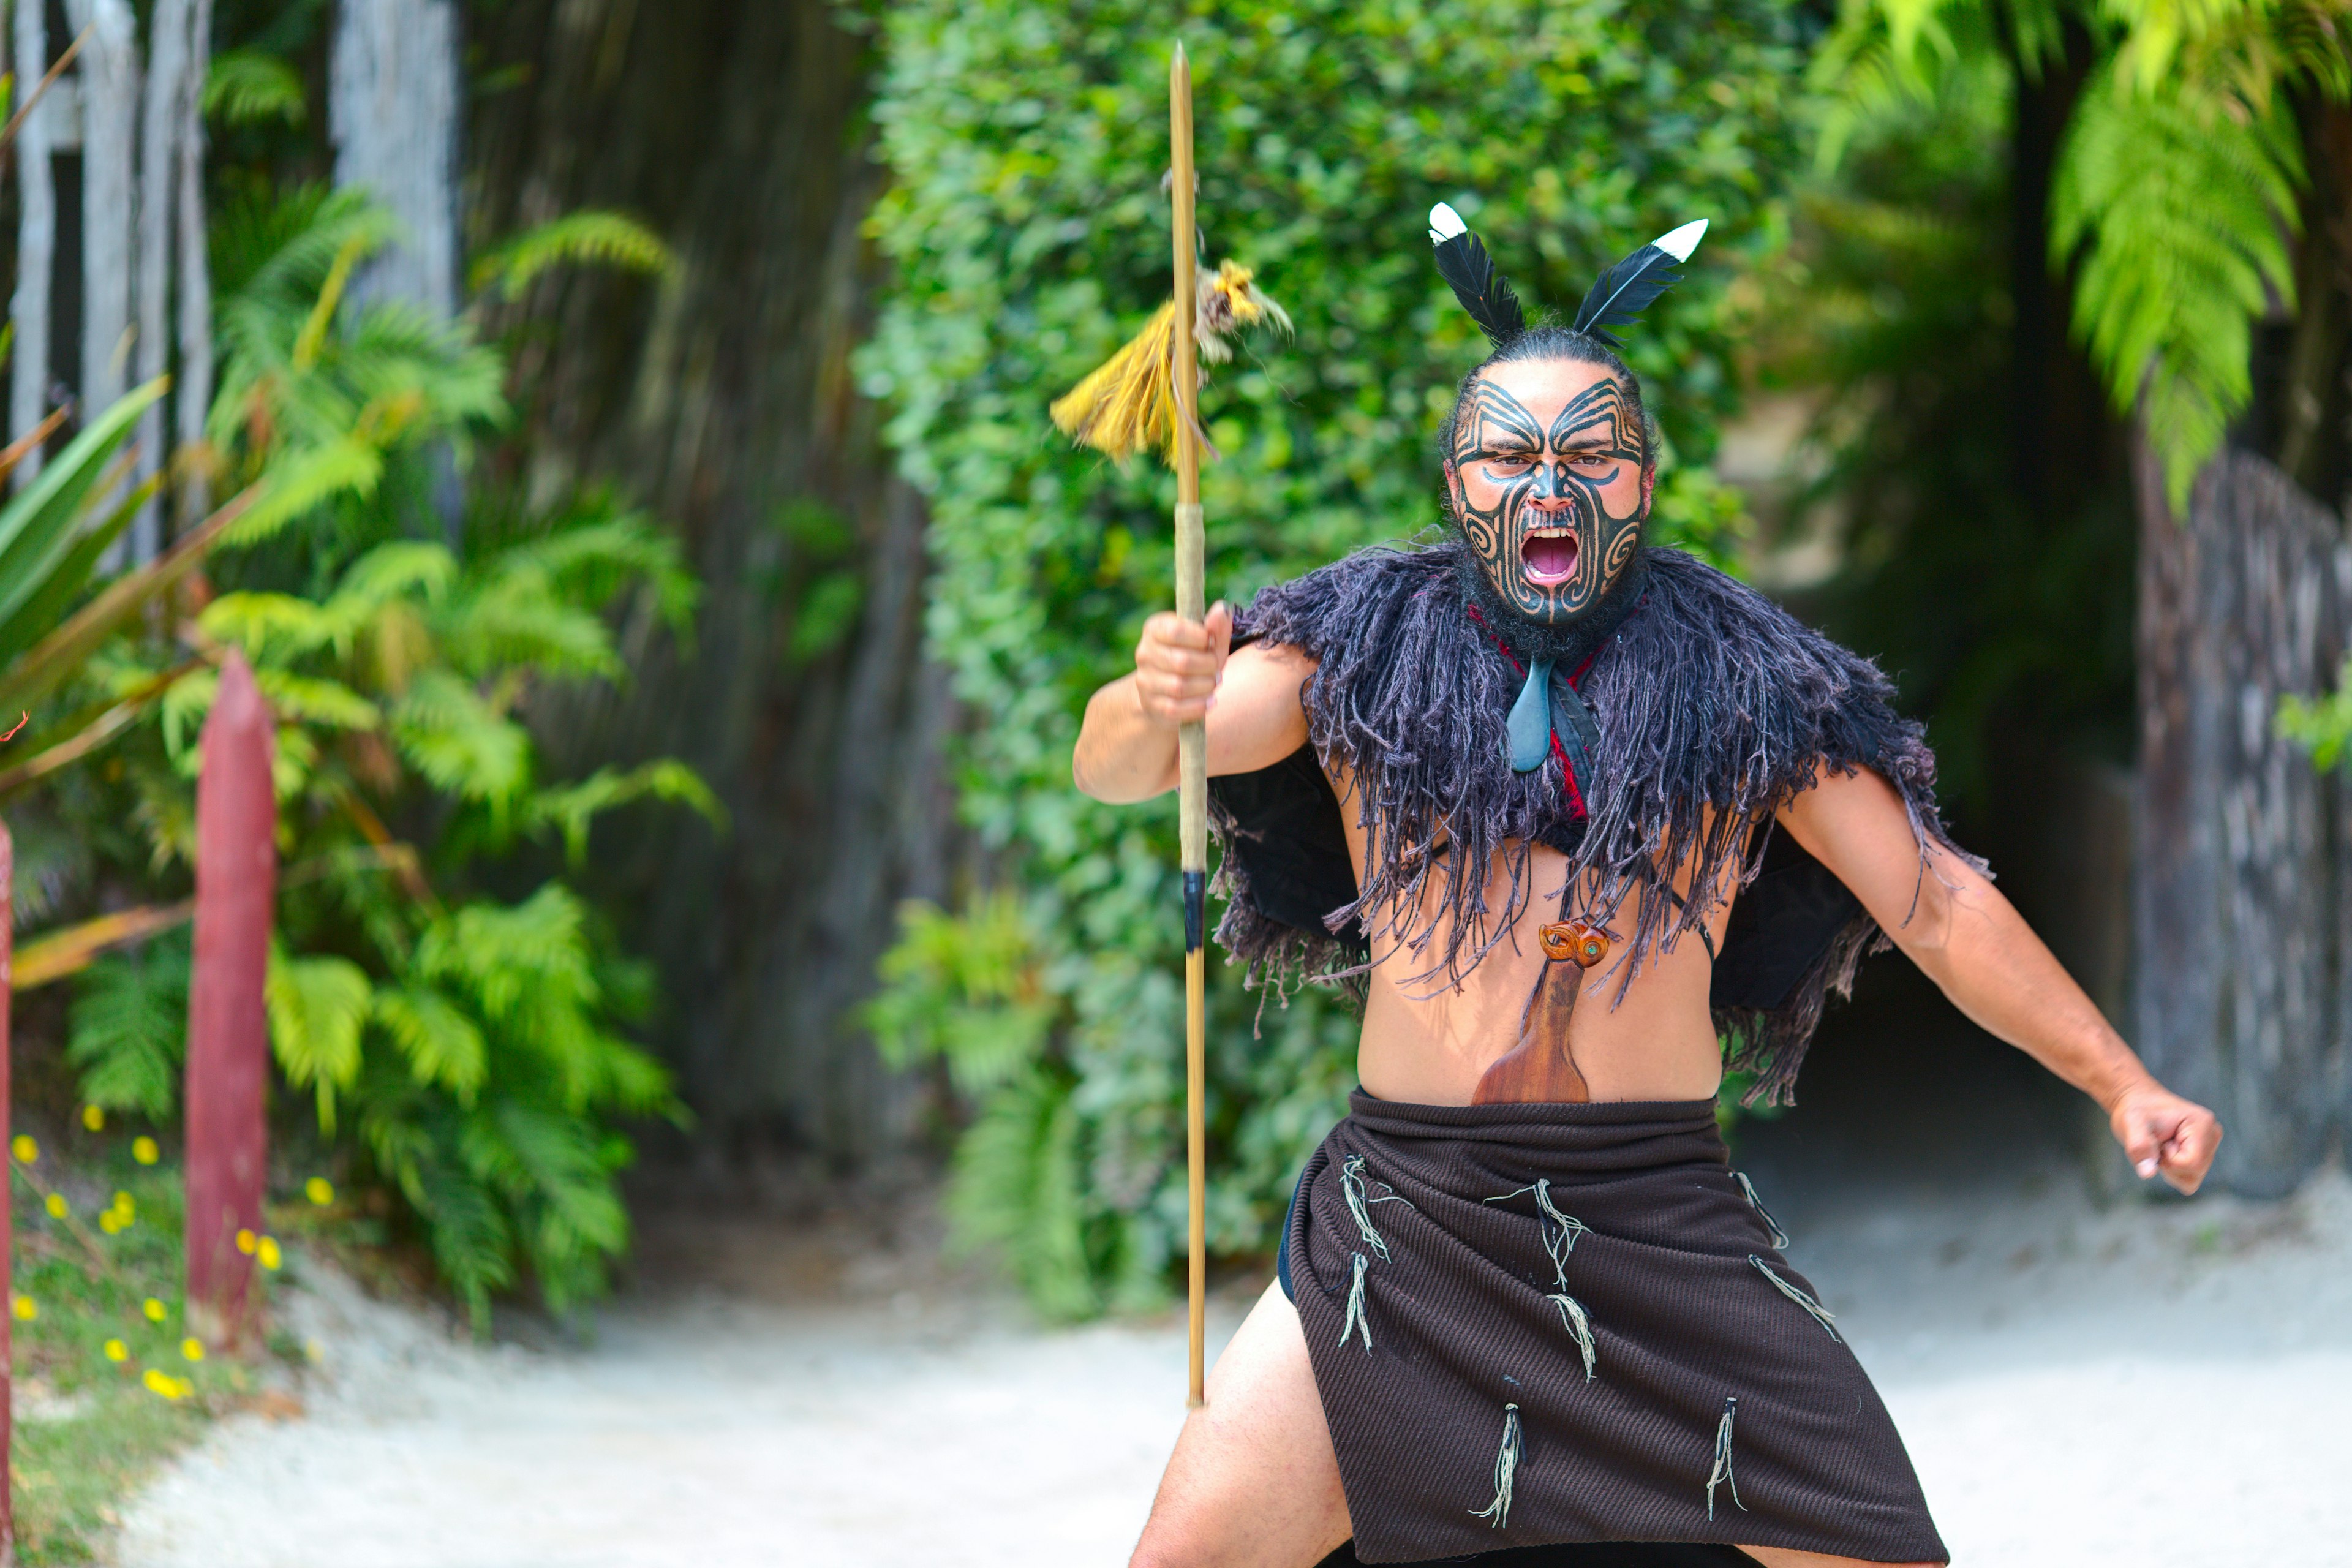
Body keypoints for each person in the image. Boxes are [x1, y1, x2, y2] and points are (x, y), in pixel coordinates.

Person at [1071, 207, 2220, 1568]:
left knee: (1887, 1551)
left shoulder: (1746, 682)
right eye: (1508, 454)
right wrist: (1155, 701)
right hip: (1410, 1219)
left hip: (1661, 1219)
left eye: (1590, 455)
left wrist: (2122, 1080)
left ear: (1644, 484)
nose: (1547, 485)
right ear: (1456, 482)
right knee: (1186, 1553)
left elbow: (1932, 900)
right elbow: (1127, 763)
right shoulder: (1359, 646)